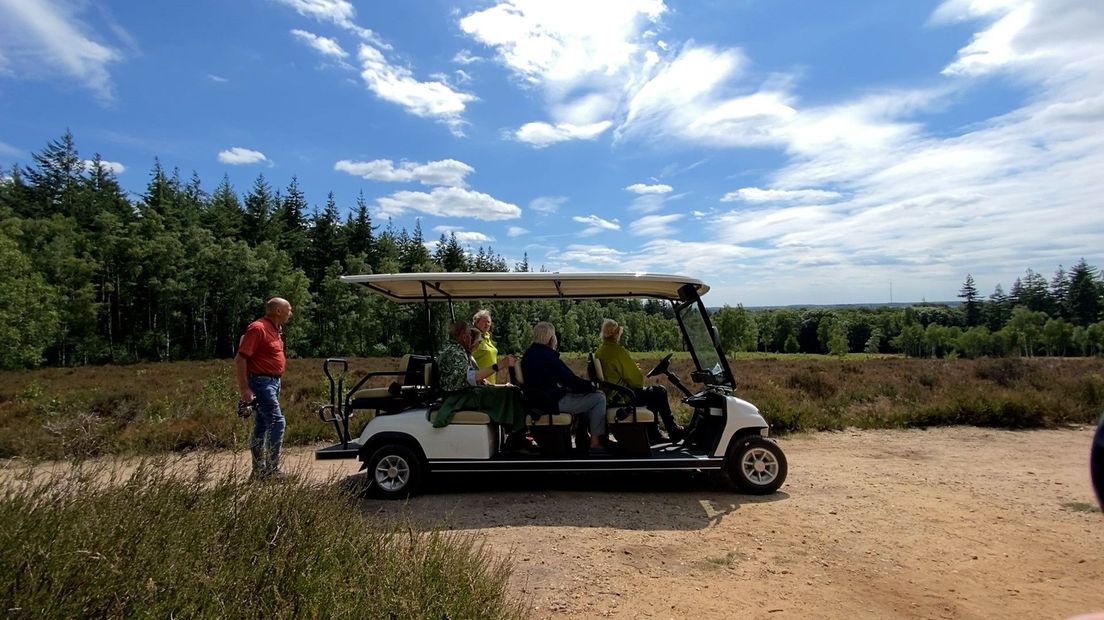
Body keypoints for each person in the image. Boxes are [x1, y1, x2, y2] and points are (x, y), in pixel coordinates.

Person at [434, 320, 535, 454]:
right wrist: (499, 365)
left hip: (464, 392)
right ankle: (517, 438)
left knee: (511, 391)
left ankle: (515, 435)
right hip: (459, 397)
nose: (471, 337)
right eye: (469, 334)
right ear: (464, 336)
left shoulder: (456, 350)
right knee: (512, 394)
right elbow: (471, 377)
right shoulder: (455, 353)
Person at [521, 321, 608, 453]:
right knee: (598, 398)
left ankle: (582, 439)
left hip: (540, 400)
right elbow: (570, 380)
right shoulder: (548, 356)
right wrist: (592, 386)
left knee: (584, 397)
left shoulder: (529, 354)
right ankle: (595, 444)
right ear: (551, 338)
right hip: (552, 402)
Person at [594, 318, 685, 443]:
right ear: (616, 334)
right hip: (623, 397)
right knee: (659, 391)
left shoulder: (600, 351)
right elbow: (637, 382)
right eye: (619, 332)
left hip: (611, 396)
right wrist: (635, 370)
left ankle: (653, 433)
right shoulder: (618, 352)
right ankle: (673, 430)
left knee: (651, 393)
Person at [235, 297, 293, 479]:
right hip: (261, 382)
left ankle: (259, 471)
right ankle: (271, 470)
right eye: (288, 310)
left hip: (272, 382)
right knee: (277, 422)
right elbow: (241, 358)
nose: (290, 313)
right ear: (277, 311)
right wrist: (245, 388)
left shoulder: (276, 330)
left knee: (262, 426)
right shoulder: (258, 328)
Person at [471, 309, 499, 375]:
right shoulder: (472, 337)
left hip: (490, 380)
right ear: (476, 322)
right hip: (479, 379)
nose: (487, 324)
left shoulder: (487, 337)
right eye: (484, 321)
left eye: (488, 322)